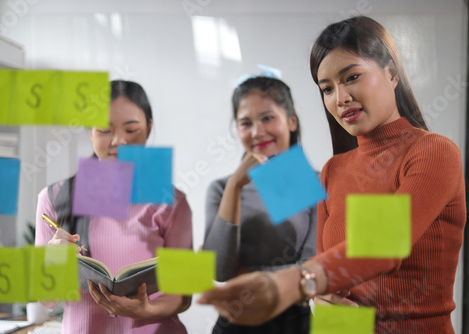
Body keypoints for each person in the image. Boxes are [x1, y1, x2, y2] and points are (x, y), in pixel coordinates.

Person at [198, 16, 466, 334]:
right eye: (327, 89)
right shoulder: (333, 170)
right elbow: (330, 286)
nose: (339, 99)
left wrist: (288, 284)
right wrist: (318, 299)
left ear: (392, 73)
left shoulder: (433, 152)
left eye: (351, 77)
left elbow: (379, 246)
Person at [35, 80, 193, 334]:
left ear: (149, 128)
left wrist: (146, 311)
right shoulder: (54, 198)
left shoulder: (174, 202)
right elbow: (45, 300)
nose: (118, 141)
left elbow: (184, 295)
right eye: (105, 130)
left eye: (131, 129)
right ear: (90, 131)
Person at [203, 75, 317, 334]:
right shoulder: (222, 188)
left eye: (267, 118)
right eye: (246, 123)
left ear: (291, 121)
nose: (257, 132)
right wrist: (235, 186)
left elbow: (312, 267)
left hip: (293, 325)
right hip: (233, 325)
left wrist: (247, 273)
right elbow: (218, 270)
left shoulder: (313, 182)